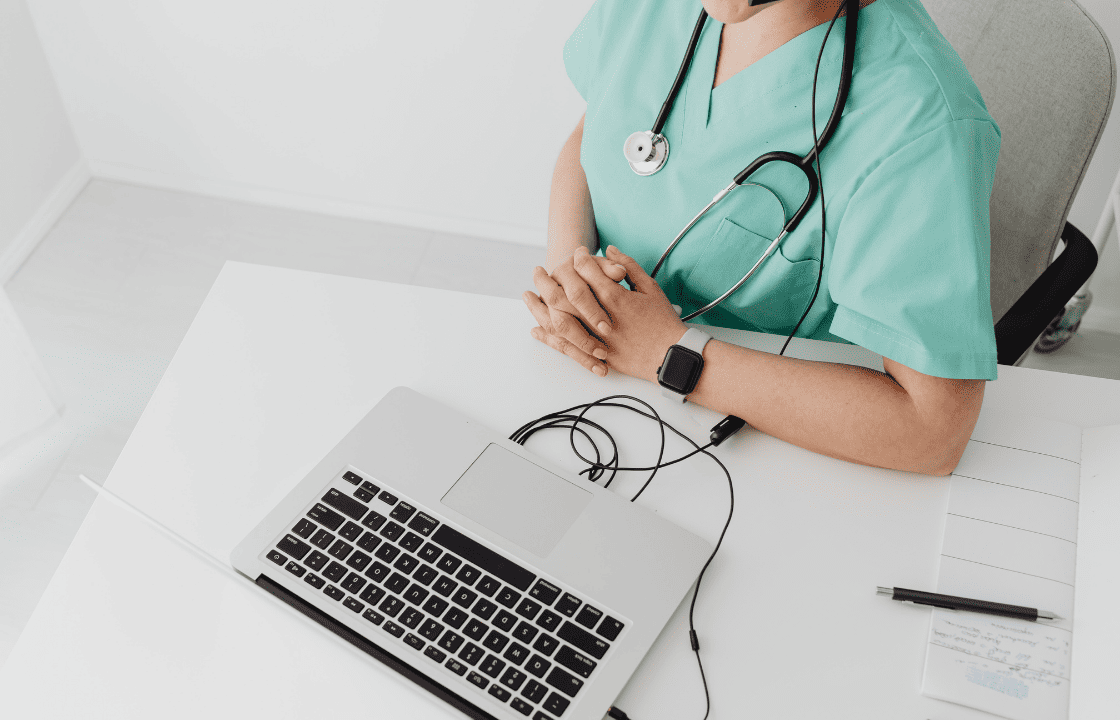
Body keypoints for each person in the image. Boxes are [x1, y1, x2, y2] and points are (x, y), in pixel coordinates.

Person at [522, 0, 1000, 476]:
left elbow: (934, 431)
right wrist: (574, 276)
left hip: (755, 444)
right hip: (589, 387)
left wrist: (670, 356)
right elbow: (591, 133)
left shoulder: (922, 123)